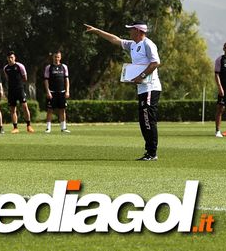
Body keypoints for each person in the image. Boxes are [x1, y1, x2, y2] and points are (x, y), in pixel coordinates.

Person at [84, 22, 161, 161]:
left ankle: (152, 153)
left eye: (131, 30)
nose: (129, 32)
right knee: (143, 121)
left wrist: (141, 76)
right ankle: (149, 152)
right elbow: (115, 40)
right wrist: (97, 31)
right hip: (142, 88)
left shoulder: (148, 44)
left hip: (151, 88)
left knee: (148, 120)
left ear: (138, 31)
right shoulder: (133, 45)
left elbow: (155, 63)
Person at [3, 51, 33, 133]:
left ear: (14, 58)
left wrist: (19, 84)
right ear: (7, 58)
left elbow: (25, 78)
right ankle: (15, 127)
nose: (10, 59)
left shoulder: (20, 66)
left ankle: (29, 126)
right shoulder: (6, 68)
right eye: (9, 58)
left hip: (20, 89)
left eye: (12, 57)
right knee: (12, 109)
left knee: (24, 106)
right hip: (11, 90)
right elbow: (7, 78)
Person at [43, 51, 71, 134]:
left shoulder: (64, 67)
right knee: (50, 110)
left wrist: (67, 91)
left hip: (62, 92)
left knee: (62, 110)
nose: (57, 58)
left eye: (58, 57)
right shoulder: (49, 67)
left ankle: (64, 127)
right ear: (53, 57)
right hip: (52, 92)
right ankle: (48, 128)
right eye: (55, 57)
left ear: (60, 57)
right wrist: (48, 91)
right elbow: (46, 80)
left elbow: (66, 79)